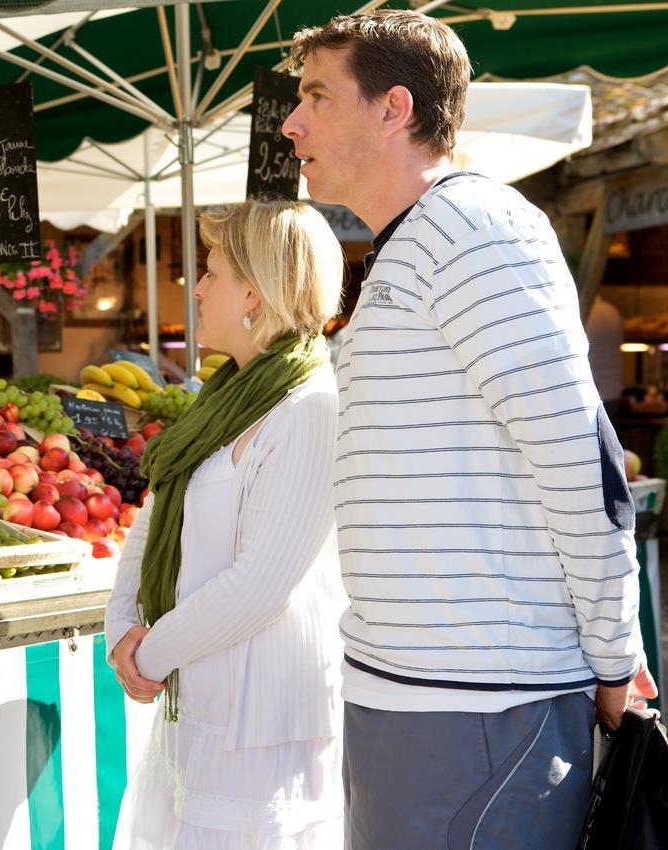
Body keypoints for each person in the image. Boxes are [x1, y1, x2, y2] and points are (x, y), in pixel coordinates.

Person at [281, 12, 658, 849]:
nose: (290, 122)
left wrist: (611, 656)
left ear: (394, 108)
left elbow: (580, 463)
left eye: (314, 95)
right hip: (425, 699)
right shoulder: (420, 242)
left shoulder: (473, 231)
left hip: (484, 708)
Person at [104, 200, 346, 849]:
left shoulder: (309, 409)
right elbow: (154, 516)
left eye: (210, 272)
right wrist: (121, 628)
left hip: (261, 725)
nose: (198, 287)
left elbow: (262, 585)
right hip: (200, 707)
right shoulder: (223, 398)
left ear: (256, 293)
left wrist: (148, 653)